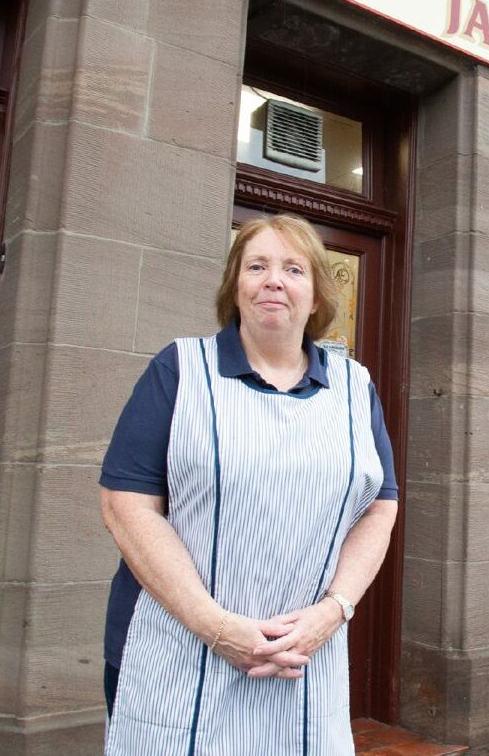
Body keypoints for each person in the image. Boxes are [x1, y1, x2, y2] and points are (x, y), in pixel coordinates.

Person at [99, 213, 399, 754]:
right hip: (178, 651)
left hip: (304, 654)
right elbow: (126, 506)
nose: (273, 281)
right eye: (256, 266)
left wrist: (333, 610)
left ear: (317, 295)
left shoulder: (355, 387)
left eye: (293, 269)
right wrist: (215, 627)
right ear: (235, 287)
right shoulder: (180, 369)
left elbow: (380, 507)